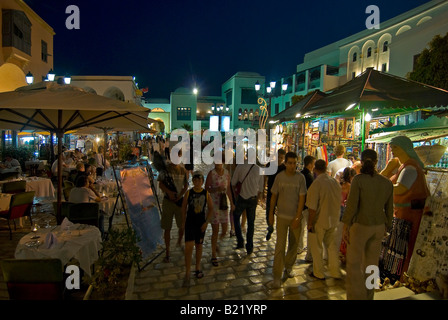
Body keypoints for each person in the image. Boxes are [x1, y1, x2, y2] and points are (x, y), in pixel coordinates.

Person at [342, 149, 394, 300]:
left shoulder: (359, 180)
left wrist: (345, 226)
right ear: (377, 162)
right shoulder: (387, 182)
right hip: (378, 227)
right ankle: (369, 296)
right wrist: (386, 227)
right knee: (372, 265)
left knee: (355, 265)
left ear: (362, 161)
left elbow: (351, 206)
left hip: (360, 226)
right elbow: (390, 209)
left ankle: (355, 297)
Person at [380, 135, 430, 279]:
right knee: (399, 246)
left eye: (395, 147)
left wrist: (387, 171)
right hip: (402, 213)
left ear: (404, 148)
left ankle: (403, 275)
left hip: (409, 216)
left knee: (405, 246)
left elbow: (400, 189)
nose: (392, 150)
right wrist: (388, 168)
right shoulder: (403, 166)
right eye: (392, 147)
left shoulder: (410, 168)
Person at [269, 152, 307, 288]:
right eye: (290, 163)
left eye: (294, 163)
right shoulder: (279, 177)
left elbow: (302, 199)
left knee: (294, 244)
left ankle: (289, 266)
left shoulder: (300, 178)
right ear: (285, 163)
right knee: (280, 245)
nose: (292, 166)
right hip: (282, 217)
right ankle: (277, 275)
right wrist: (270, 214)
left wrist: (297, 217)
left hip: (295, 218)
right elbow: (273, 197)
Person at [305, 159, 342, 280]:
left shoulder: (317, 184)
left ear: (315, 169)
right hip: (333, 219)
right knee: (331, 246)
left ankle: (319, 272)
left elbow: (312, 207)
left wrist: (310, 223)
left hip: (320, 220)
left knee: (317, 248)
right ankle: (335, 271)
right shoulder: (334, 182)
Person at [180, 171, 214, 285]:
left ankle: (197, 267)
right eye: (195, 180)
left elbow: (211, 209)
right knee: (189, 247)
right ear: (193, 181)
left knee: (199, 245)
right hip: (190, 222)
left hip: (200, 223)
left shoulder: (206, 193)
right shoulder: (189, 193)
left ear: (202, 181)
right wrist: (183, 222)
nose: (197, 182)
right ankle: (188, 271)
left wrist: (207, 222)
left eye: (199, 180)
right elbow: (184, 208)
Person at [158, 158, 189, 262]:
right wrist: (169, 193)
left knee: (182, 225)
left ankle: (180, 241)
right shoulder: (165, 170)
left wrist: (180, 196)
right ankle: (167, 252)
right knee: (167, 227)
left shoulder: (182, 170)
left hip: (179, 202)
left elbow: (186, 185)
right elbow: (160, 184)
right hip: (168, 201)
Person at [205, 156, 234, 266]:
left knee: (225, 229)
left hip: (223, 205)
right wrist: (216, 189)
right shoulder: (211, 174)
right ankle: (213, 255)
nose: (218, 163)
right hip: (214, 204)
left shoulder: (226, 173)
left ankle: (216, 244)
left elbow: (229, 190)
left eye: (220, 161)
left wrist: (232, 202)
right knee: (215, 230)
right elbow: (206, 188)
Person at [231, 159, 264, 255]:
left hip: (241, 198)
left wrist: (235, 195)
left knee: (236, 217)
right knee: (251, 224)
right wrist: (257, 198)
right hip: (252, 199)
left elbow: (233, 183)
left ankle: (240, 240)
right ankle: (249, 246)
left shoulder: (240, 166)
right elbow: (261, 188)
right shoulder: (259, 169)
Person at [264, 148, 286, 241]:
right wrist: (263, 189)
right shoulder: (270, 165)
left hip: (281, 195)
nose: (280, 159)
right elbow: (265, 178)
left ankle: (279, 229)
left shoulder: (284, 168)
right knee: (269, 211)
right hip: (271, 193)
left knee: (280, 213)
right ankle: (270, 226)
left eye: (282, 158)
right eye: (279, 157)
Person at [300, 155, 316, 258]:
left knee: (301, 228)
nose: (314, 166)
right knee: (308, 228)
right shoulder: (309, 176)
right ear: (310, 164)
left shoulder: (301, 174)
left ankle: (299, 247)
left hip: (301, 205)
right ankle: (309, 253)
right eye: (313, 164)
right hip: (306, 206)